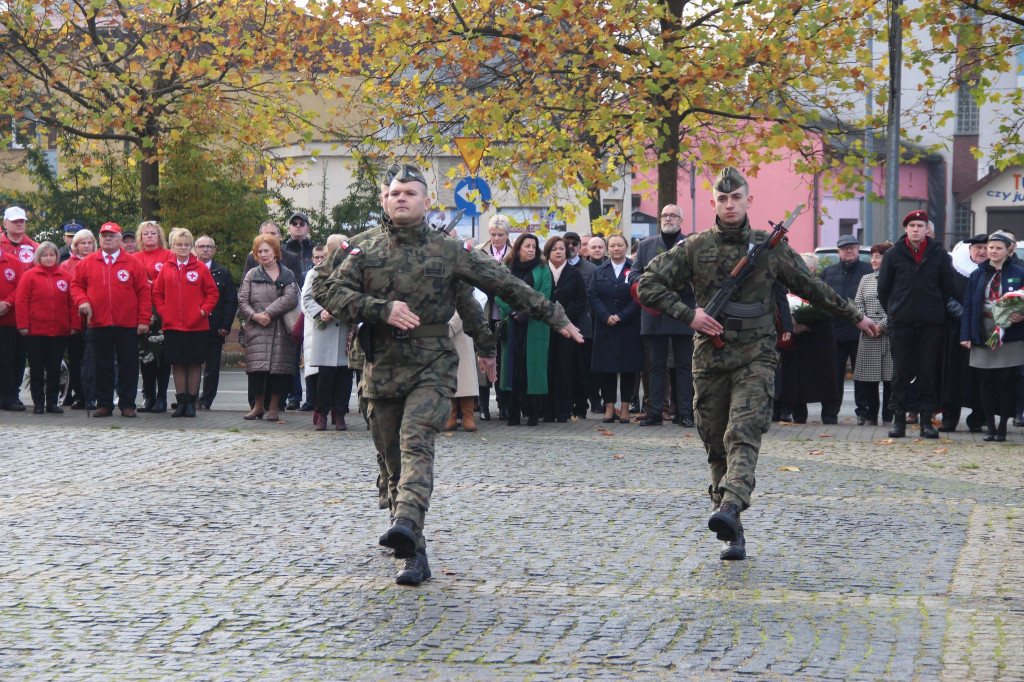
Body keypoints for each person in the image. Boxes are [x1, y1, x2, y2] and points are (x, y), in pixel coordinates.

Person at [321, 163, 581, 586]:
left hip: (432, 364)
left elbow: (501, 283)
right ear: (384, 200)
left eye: (410, 192)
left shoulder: (449, 250)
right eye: (394, 193)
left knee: (415, 441)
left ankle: (406, 522)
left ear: (427, 202)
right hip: (379, 366)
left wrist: (552, 316)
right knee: (392, 465)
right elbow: (326, 290)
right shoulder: (360, 248)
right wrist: (380, 309)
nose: (400, 198)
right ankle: (413, 548)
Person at [638, 167, 879, 561]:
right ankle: (733, 531)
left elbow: (811, 286)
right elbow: (646, 283)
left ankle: (731, 507)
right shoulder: (694, 247)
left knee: (743, 431)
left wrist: (855, 315)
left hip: (757, 353)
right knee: (715, 444)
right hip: (709, 356)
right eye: (721, 199)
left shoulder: (769, 247)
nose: (729, 205)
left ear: (749, 201)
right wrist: (688, 315)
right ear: (714, 203)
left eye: (736, 198)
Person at [877, 210, 955, 439]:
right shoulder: (893, 254)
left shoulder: (939, 254)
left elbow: (947, 287)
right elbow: (884, 289)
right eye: (912, 226)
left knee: (927, 373)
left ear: (927, 229)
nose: (916, 229)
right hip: (901, 323)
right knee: (901, 373)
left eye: (920, 226)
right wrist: (894, 311)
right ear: (906, 229)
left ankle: (925, 422)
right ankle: (898, 420)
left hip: (930, 324)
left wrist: (934, 309)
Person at [70, 222, 151, 418]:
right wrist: (83, 301)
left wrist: (143, 320)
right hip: (99, 322)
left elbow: (144, 292)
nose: (107, 239)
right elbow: (76, 286)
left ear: (120, 239)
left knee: (128, 365)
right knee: (102, 365)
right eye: (104, 235)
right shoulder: (88, 262)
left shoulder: (133, 263)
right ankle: (104, 403)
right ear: (99, 239)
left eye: (112, 235)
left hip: (128, 324)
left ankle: (127, 404)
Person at [629, 204, 696, 427]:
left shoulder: (690, 245)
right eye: (665, 215)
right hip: (653, 314)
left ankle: (685, 412)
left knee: (684, 366)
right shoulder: (646, 245)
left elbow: (698, 278)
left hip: (682, 313)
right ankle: (655, 412)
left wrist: (675, 288)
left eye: (673, 215)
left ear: (681, 220)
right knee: (655, 366)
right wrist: (654, 290)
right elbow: (634, 276)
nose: (668, 219)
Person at [960, 231, 1024, 441]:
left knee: (1007, 380)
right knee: (985, 379)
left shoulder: (1019, 272)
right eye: (990, 247)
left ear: (1008, 251)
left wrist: (1020, 315)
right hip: (983, 329)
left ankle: (1003, 427)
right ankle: (989, 426)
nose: (993, 251)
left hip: (1009, 331)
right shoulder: (978, 274)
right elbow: (969, 305)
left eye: (998, 248)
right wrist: (966, 334)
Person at [153, 228, 219, 418]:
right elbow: (157, 294)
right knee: (177, 363)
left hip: (197, 325)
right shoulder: (166, 268)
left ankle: (191, 402)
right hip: (172, 325)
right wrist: (164, 312)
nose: (183, 248)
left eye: (186, 245)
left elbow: (212, 293)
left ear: (192, 247)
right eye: (179, 244)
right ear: (172, 246)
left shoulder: (200, 268)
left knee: (194, 363)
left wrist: (202, 311)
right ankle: (180, 401)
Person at [238, 234, 300, 422]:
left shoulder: (287, 273)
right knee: (257, 372)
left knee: (278, 372)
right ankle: (257, 407)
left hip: (281, 329)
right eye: (259, 251)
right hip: (257, 329)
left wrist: (268, 313)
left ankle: (274, 408)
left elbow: (291, 298)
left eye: (267, 250)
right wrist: (255, 316)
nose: (263, 255)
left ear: (275, 252)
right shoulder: (252, 274)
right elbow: (242, 299)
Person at [15, 242, 79, 413]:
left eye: (52, 255)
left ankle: (52, 403)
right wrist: (23, 325)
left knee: (54, 368)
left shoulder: (65, 277)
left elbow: (72, 303)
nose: (48, 258)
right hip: (35, 331)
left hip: (59, 331)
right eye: (45, 255)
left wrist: (74, 325)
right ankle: (38, 403)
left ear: (57, 257)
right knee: (36, 368)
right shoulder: (29, 276)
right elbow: (21, 302)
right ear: (38, 257)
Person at [778, 253, 841, 424]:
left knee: (824, 378)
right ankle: (798, 414)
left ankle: (829, 415)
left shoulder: (822, 287)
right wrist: (789, 323)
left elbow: (830, 311)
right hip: (796, 342)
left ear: (811, 269)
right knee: (794, 379)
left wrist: (807, 325)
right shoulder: (788, 287)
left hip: (819, 340)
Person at [498, 232, 553, 427]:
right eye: (527, 246)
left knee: (533, 369)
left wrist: (526, 314)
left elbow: (545, 294)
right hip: (512, 325)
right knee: (513, 368)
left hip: (534, 324)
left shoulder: (542, 268)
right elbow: (499, 292)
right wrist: (512, 312)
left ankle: (533, 413)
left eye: (534, 246)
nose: (531, 250)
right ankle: (513, 411)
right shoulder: (507, 267)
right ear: (518, 247)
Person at [820, 234, 873, 424]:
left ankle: (864, 413)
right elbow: (820, 300)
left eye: (852, 247)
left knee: (862, 375)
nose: (849, 251)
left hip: (862, 332)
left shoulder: (868, 272)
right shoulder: (827, 273)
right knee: (833, 375)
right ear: (838, 252)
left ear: (858, 249)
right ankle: (829, 413)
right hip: (835, 331)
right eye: (844, 248)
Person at [590, 233, 642, 423]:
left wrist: (622, 316)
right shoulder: (600, 270)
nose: (616, 249)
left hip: (628, 325)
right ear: (607, 249)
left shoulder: (634, 269)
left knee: (628, 368)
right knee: (607, 369)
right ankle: (609, 407)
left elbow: (639, 296)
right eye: (612, 245)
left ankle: (626, 408)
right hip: (606, 327)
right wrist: (606, 316)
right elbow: (593, 295)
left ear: (626, 247)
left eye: (620, 245)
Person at [302, 238, 352, 431]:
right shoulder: (317, 272)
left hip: (345, 327)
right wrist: (320, 312)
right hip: (325, 328)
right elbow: (307, 298)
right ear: (330, 252)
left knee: (344, 376)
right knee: (325, 375)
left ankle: (340, 414)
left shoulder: (352, 270)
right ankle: (322, 413)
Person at [940, 235, 987, 432]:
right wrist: (967, 319)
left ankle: (978, 419)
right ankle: (949, 419)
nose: (982, 252)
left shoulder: (994, 272)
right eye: (978, 247)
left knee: (981, 377)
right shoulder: (955, 271)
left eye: (986, 247)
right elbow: (947, 297)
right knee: (953, 376)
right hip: (956, 332)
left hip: (985, 332)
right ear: (969, 250)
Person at [543, 236, 587, 422]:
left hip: (567, 329)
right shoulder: (543, 271)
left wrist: (562, 317)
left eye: (561, 249)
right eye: (554, 249)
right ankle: (545, 410)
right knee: (547, 368)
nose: (559, 252)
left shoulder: (574, 273)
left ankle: (563, 410)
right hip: (544, 327)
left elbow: (581, 299)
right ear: (548, 252)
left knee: (564, 369)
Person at [852, 243, 895, 426]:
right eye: (872, 256)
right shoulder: (866, 279)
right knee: (868, 379)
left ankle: (888, 416)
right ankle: (870, 415)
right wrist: (866, 324)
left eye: (878, 256)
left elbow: (897, 306)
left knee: (890, 380)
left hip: (890, 333)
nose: (874, 260)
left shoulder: (896, 279)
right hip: (868, 333)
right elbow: (858, 304)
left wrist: (883, 326)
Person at [133, 221, 173, 413]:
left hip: (162, 310)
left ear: (160, 237)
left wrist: (154, 283)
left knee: (162, 356)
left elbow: (173, 279)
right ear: (140, 238)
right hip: (141, 312)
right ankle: (148, 396)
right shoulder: (134, 257)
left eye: (153, 233)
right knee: (145, 356)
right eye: (145, 233)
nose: (149, 236)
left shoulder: (168, 256)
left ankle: (162, 397)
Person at [194, 235, 238, 410]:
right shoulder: (189, 269)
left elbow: (230, 301)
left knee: (212, 367)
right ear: (195, 249)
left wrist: (226, 326)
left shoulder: (223, 273)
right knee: (192, 364)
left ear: (214, 250)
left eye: (209, 247)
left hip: (214, 327)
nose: (205, 250)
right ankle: (190, 397)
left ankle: (206, 401)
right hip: (193, 326)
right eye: (202, 246)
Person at [477, 214, 512, 420]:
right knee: (483, 356)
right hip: (484, 311)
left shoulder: (514, 253)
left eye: (500, 235)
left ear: (507, 235)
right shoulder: (479, 251)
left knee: (502, 358)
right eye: (493, 234)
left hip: (504, 312)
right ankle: (483, 405)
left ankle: (503, 402)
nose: (496, 238)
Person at [564, 231, 600, 418]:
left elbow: (589, 296)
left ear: (580, 246)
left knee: (582, 368)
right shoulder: (555, 266)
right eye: (567, 243)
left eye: (574, 243)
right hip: (560, 325)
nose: (570, 246)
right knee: (565, 368)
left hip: (582, 324)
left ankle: (581, 406)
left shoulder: (590, 269)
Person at [60, 228, 97, 409]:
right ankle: (79, 395)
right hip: (74, 319)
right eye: (83, 243)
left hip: (95, 319)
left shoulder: (99, 262)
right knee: (75, 360)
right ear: (75, 246)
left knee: (93, 360)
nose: (86, 246)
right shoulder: (67, 265)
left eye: (89, 242)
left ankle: (93, 395)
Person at [283, 211, 314, 411]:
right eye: (294, 223)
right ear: (289, 227)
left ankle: (313, 398)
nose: (298, 226)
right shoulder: (283, 250)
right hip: (293, 303)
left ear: (307, 228)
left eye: (301, 223)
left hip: (312, 301)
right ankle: (293, 396)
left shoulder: (315, 249)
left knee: (313, 355)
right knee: (292, 353)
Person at [0, 244, 26, 411]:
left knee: (9, 361)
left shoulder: (14, 262)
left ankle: (9, 397)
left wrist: (7, 303)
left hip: (8, 322)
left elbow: (21, 288)